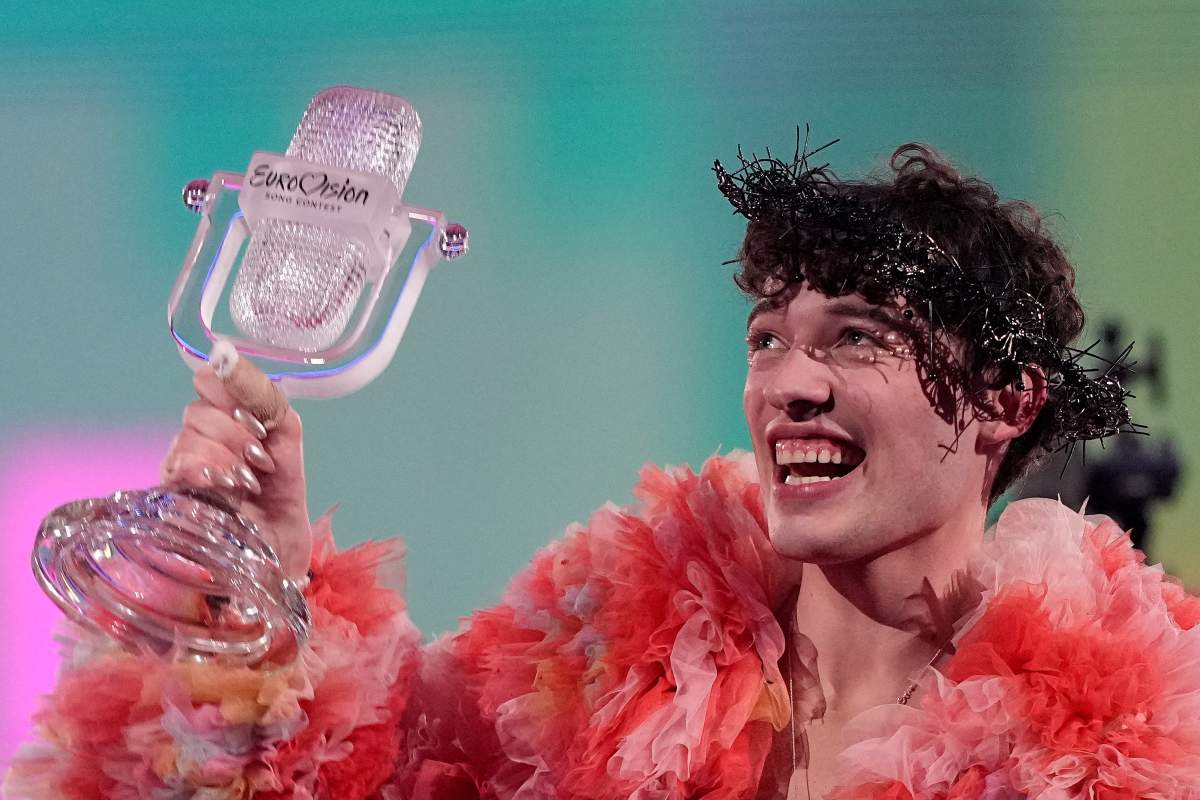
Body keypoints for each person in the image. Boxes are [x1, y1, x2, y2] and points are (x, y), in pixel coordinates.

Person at [7, 139, 1200, 800]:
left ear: (1007, 400)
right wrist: (259, 606)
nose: (787, 382)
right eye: (767, 337)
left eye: (855, 337)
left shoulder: (1122, 755)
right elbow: (360, 776)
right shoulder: (608, 655)